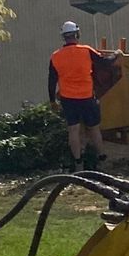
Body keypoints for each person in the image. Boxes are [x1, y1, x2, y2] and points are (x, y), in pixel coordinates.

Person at [47, 21, 118, 170]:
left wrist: (52, 100)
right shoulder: (86, 50)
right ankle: (102, 158)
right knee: (94, 128)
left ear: (63, 37)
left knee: (73, 130)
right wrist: (117, 54)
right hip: (87, 97)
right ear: (77, 34)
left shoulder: (55, 56)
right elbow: (105, 63)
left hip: (68, 99)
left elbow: (52, 81)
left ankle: (78, 161)